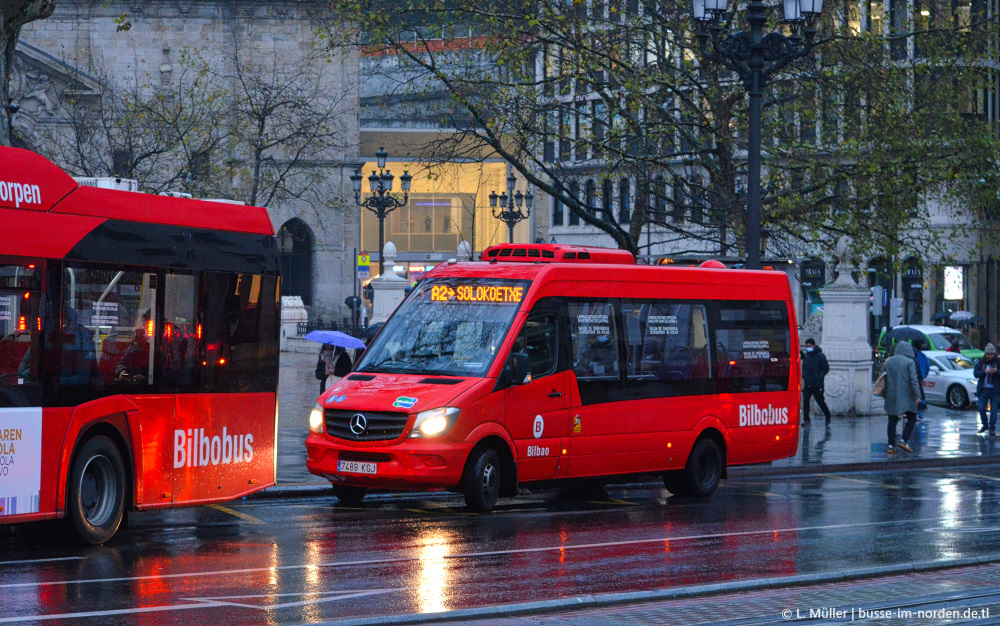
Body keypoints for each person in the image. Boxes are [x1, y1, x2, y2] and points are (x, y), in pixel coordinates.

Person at [880, 341, 921, 453]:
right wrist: (917, 396)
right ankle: (903, 440)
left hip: (891, 395)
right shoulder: (909, 362)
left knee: (892, 420)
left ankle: (890, 446)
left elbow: (881, 377)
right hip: (907, 396)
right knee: (912, 417)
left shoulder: (888, 361)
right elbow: (913, 380)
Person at [801, 338, 832, 424]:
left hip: (817, 384)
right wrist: (804, 376)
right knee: (805, 402)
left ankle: (828, 415)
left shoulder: (820, 355)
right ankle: (806, 419)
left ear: (814, 345)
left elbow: (826, 368)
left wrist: (819, 377)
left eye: (809, 346)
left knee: (820, 401)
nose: (808, 348)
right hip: (808, 383)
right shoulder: (806, 356)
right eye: (806, 346)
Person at [974, 343, 1000, 436]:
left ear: (994, 354)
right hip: (984, 389)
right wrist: (985, 372)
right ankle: (985, 425)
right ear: (985, 354)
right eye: (988, 354)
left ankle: (992, 428)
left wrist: (996, 371)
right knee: (981, 408)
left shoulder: (998, 362)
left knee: (994, 410)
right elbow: (976, 373)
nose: (990, 356)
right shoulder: (981, 362)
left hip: (995, 390)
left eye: (991, 354)